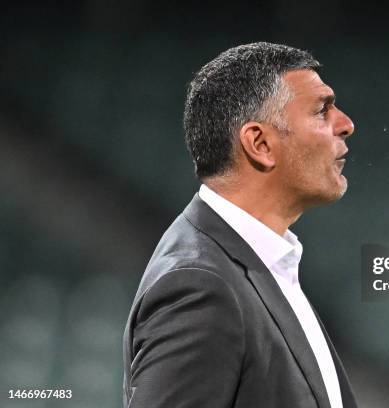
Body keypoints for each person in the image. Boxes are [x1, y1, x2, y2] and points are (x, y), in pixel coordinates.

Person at [122, 42, 357, 408]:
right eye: (321, 110)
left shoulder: (260, 263)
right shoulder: (201, 285)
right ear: (260, 143)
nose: (345, 124)